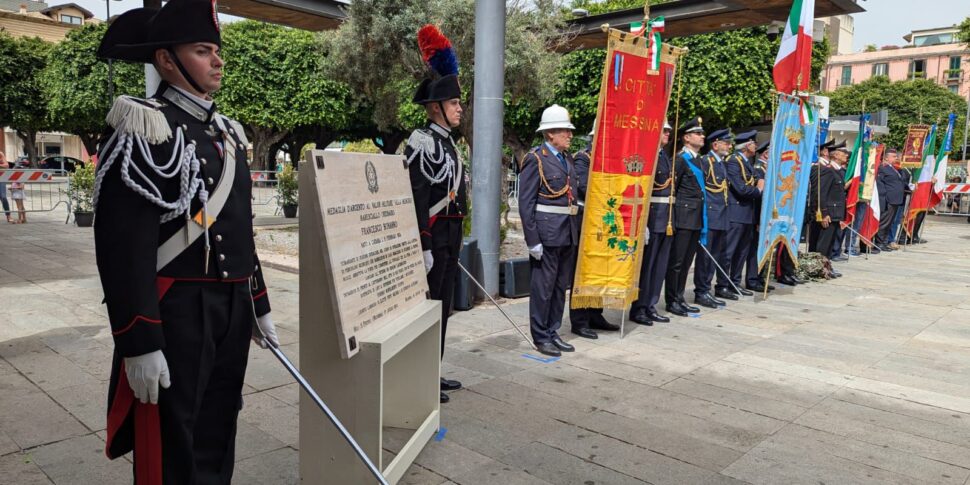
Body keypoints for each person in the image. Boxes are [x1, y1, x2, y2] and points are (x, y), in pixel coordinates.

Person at [93, 0, 278, 482]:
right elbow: (122, 248)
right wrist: (138, 340)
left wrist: (257, 303)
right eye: (202, 50)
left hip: (231, 305)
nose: (217, 60)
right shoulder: (143, 126)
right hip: (177, 310)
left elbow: (241, 227)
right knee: (174, 437)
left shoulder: (228, 133)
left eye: (216, 49)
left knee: (220, 425)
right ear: (166, 60)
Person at [406, 24, 468, 403]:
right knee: (427, 311)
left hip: (450, 241)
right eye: (454, 103)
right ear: (435, 108)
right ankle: (418, 377)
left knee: (443, 309)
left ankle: (433, 370)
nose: (460, 108)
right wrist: (423, 243)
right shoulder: (422, 143)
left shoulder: (449, 146)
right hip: (432, 241)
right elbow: (416, 197)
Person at [519, 104, 580, 357]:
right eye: (565, 131)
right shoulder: (535, 159)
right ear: (550, 134)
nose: (569, 135)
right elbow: (526, 203)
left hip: (567, 232)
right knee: (543, 288)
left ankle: (553, 331)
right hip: (546, 235)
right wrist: (533, 240)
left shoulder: (566, 159)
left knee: (559, 287)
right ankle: (541, 335)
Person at [569, 130, 620, 338]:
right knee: (582, 272)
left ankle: (595, 313)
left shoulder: (610, 161)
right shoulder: (584, 158)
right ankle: (579, 320)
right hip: (586, 221)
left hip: (603, 222)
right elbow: (582, 186)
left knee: (600, 269)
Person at [630, 121, 675, 325]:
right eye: (664, 130)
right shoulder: (646, 154)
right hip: (652, 214)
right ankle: (639, 308)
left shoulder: (663, 155)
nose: (668, 134)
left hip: (665, 216)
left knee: (659, 266)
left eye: (668, 131)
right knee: (647, 267)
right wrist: (643, 222)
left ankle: (651, 304)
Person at [664, 117, 705, 317]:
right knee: (677, 262)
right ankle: (672, 300)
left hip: (695, 218)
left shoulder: (698, 159)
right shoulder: (680, 159)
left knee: (687, 261)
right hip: (682, 217)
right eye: (698, 133)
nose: (702, 136)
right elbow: (674, 189)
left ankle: (680, 297)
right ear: (687, 138)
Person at [692, 128, 735, 308]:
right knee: (706, 257)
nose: (729, 146)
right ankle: (701, 291)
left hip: (721, 214)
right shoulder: (706, 161)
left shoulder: (721, 163)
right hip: (710, 214)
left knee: (716, 254)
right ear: (715, 144)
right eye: (725, 143)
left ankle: (707, 288)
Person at [724, 130, 763, 295]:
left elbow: (754, 179)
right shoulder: (733, 161)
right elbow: (740, 188)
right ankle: (723, 284)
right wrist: (759, 190)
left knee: (742, 251)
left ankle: (735, 282)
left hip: (748, 213)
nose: (756, 146)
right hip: (736, 212)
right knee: (730, 251)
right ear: (748, 145)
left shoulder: (746, 162)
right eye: (754, 143)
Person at [809, 142, 847, 277]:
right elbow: (820, 193)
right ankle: (819, 269)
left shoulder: (834, 171)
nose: (846, 155)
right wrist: (823, 212)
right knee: (823, 244)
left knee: (828, 244)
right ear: (835, 155)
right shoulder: (827, 170)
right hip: (828, 214)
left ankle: (825, 267)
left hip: (834, 213)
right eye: (843, 152)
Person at [876, 148, 904, 251]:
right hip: (889, 200)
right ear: (886, 158)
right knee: (884, 222)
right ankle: (879, 242)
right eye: (893, 156)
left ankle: (884, 241)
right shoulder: (882, 168)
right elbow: (881, 184)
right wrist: (885, 198)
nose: (896, 158)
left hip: (896, 200)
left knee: (889, 223)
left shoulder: (893, 168)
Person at [0, 152, 12, 223]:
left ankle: (8, 215)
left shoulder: (0, 154)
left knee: (3, 197)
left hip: (1, 179)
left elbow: (6, 165)